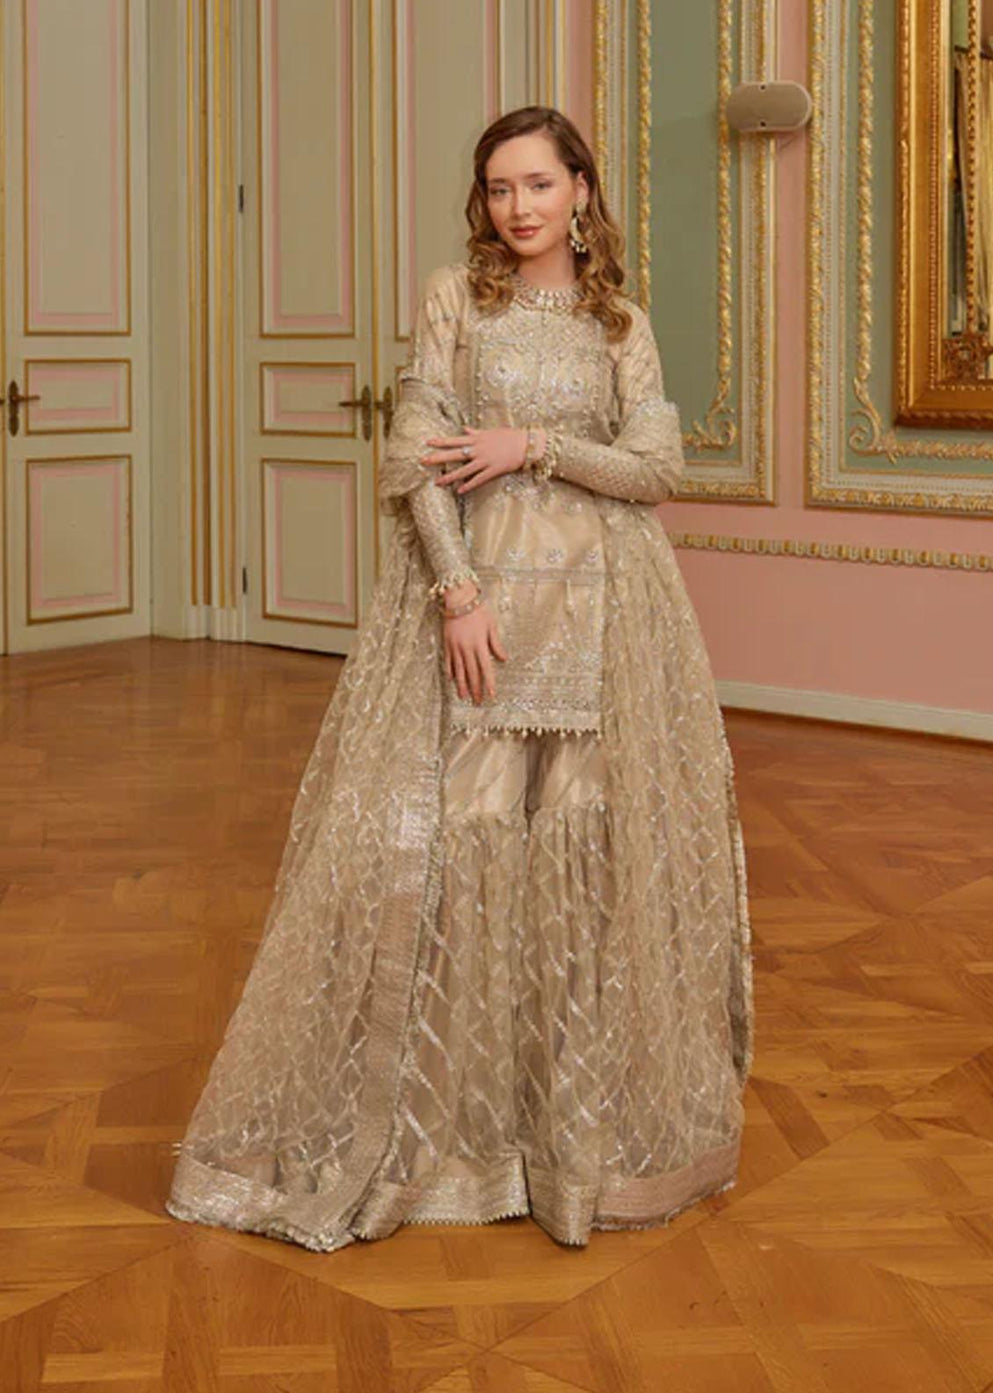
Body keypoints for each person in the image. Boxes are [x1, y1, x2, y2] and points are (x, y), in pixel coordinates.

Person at [165, 104, 754, 1252]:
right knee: (458, 854)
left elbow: (657, 468)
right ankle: (450, 1134)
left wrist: (532, 445)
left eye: (537, 183)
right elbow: (415, 453)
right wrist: (456, 594)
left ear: (580, 190)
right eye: (497, 186)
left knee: (577, 864)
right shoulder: (457, 300)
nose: (517, 206)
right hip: (484, 615)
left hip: (602, 618)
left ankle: (567, 1145)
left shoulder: (619, 320)